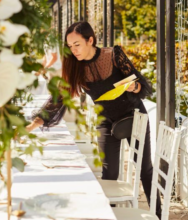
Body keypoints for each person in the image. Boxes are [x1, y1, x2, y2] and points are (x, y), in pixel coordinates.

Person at [26, 21, 161, 218]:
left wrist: (135, 87)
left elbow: (139, 83)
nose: (73, 50)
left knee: (145, 170)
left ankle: (158, 214)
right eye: (70, 46)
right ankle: (112, 216)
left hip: (134, 116)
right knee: (109, 174)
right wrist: (32, 125)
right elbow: (59, 98)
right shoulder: (73, 66)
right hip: (106, 120)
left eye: (77, 44)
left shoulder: (114, 55)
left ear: (90, 40)